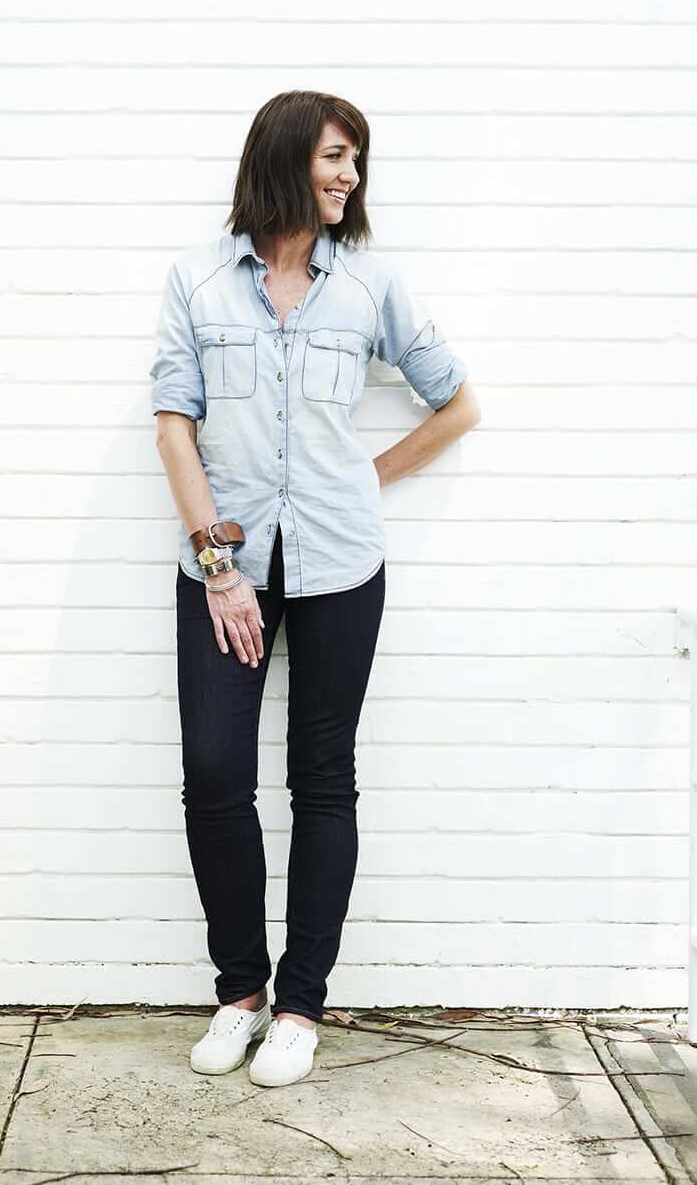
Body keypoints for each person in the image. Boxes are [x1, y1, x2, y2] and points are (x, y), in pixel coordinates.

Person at [148, 90, 481, 1087]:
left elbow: (456, 403)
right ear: (287, 157)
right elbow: (174, 424)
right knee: (215, 773)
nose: (348, 177)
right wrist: (218, 566)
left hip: (340, 563)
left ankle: (300, 1006)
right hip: (224, 566)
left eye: (356, 162)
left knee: (321, 779)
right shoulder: (199, 281)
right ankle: (238, 992)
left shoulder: (370, 287)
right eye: (336, 157)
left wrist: (357, 480)